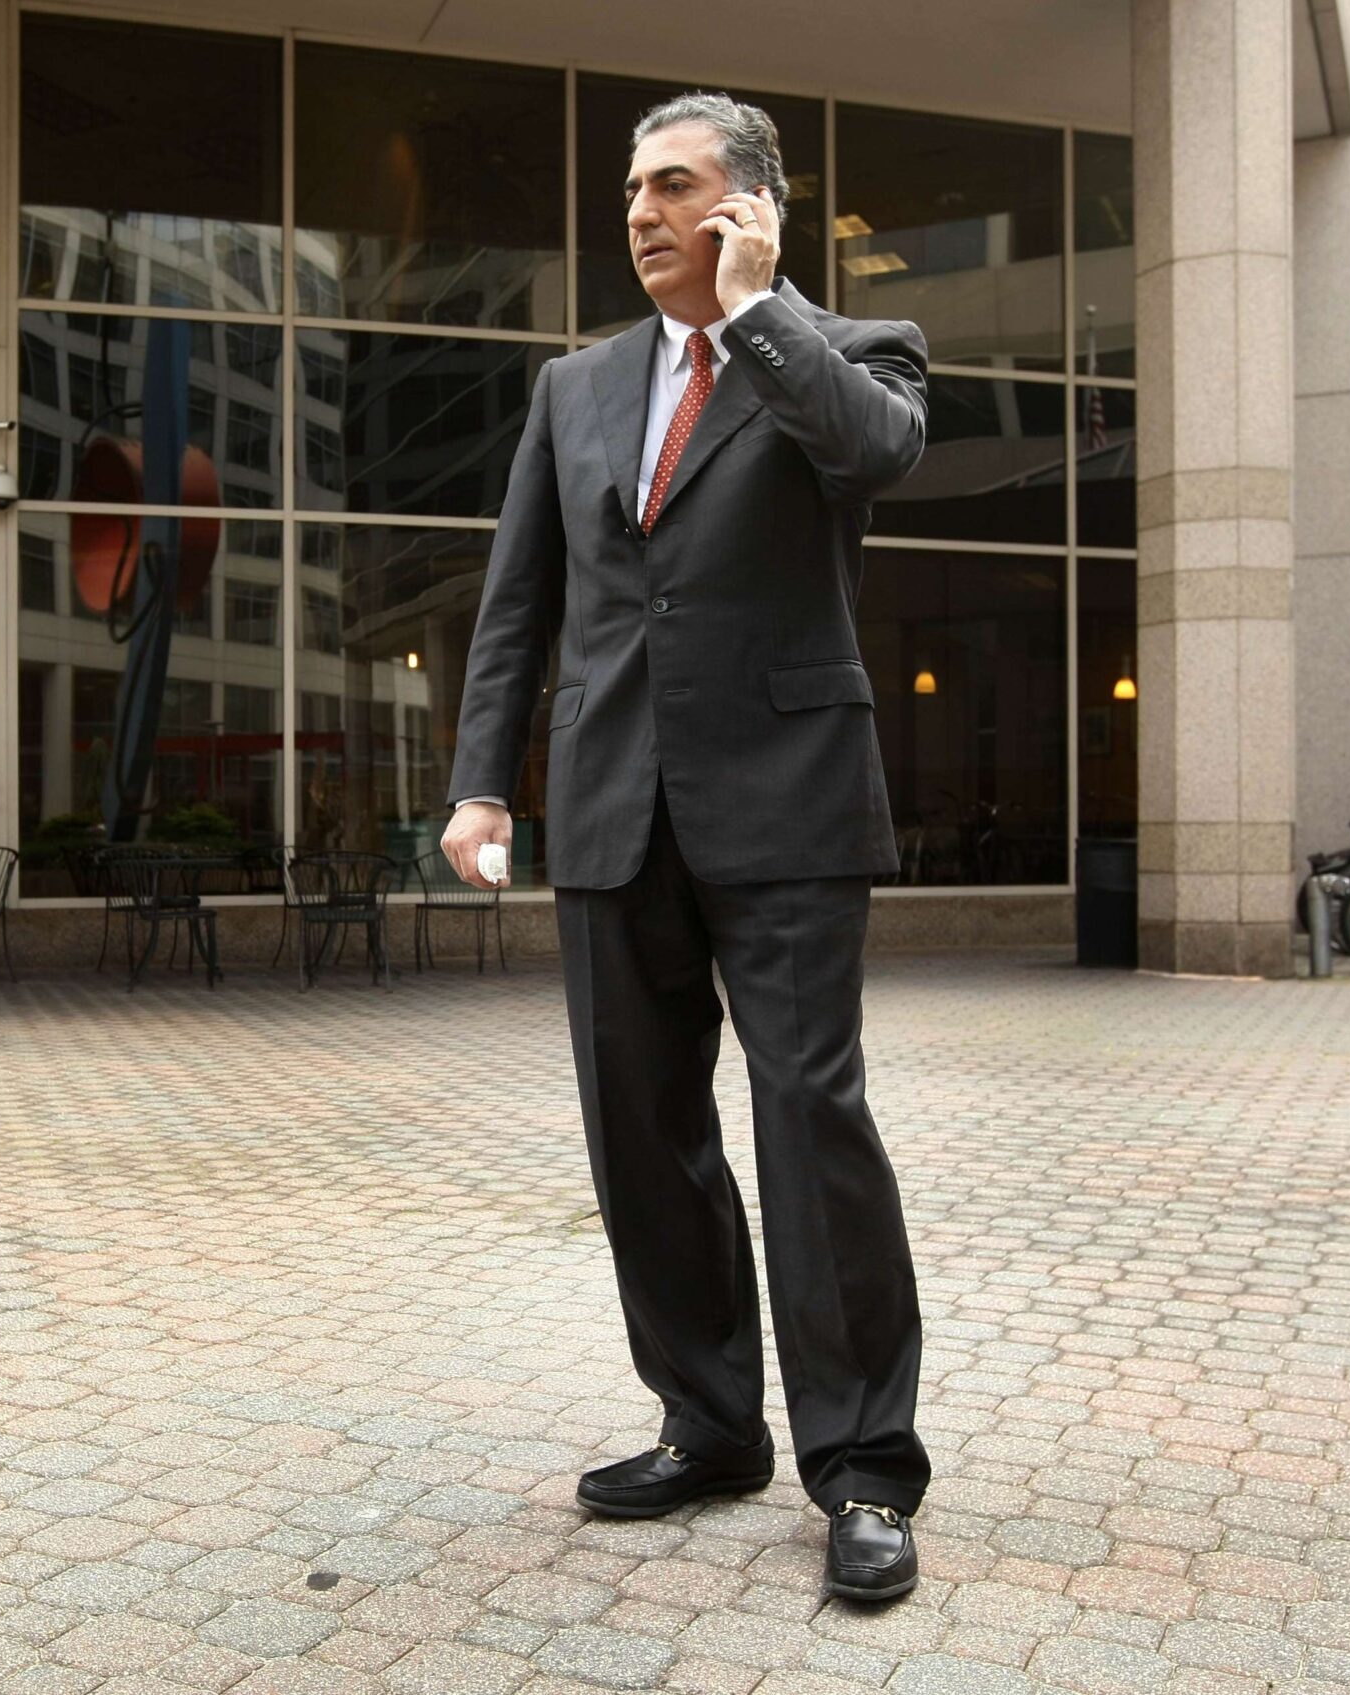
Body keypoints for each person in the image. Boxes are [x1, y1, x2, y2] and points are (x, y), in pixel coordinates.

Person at [440, 91, 932, 1603]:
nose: (644, 212)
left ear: (753, 205)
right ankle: (710, 1426)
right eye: (633, 189)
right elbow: (522, 599)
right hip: (609, 803)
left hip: (785, 799)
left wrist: (759, 307)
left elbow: (875, 460)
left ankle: (861, 1471)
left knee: (809, 1124)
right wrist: (480, 785)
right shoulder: (573, 388)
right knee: (642, 1137)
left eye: (676, 187)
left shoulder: (847, 353)